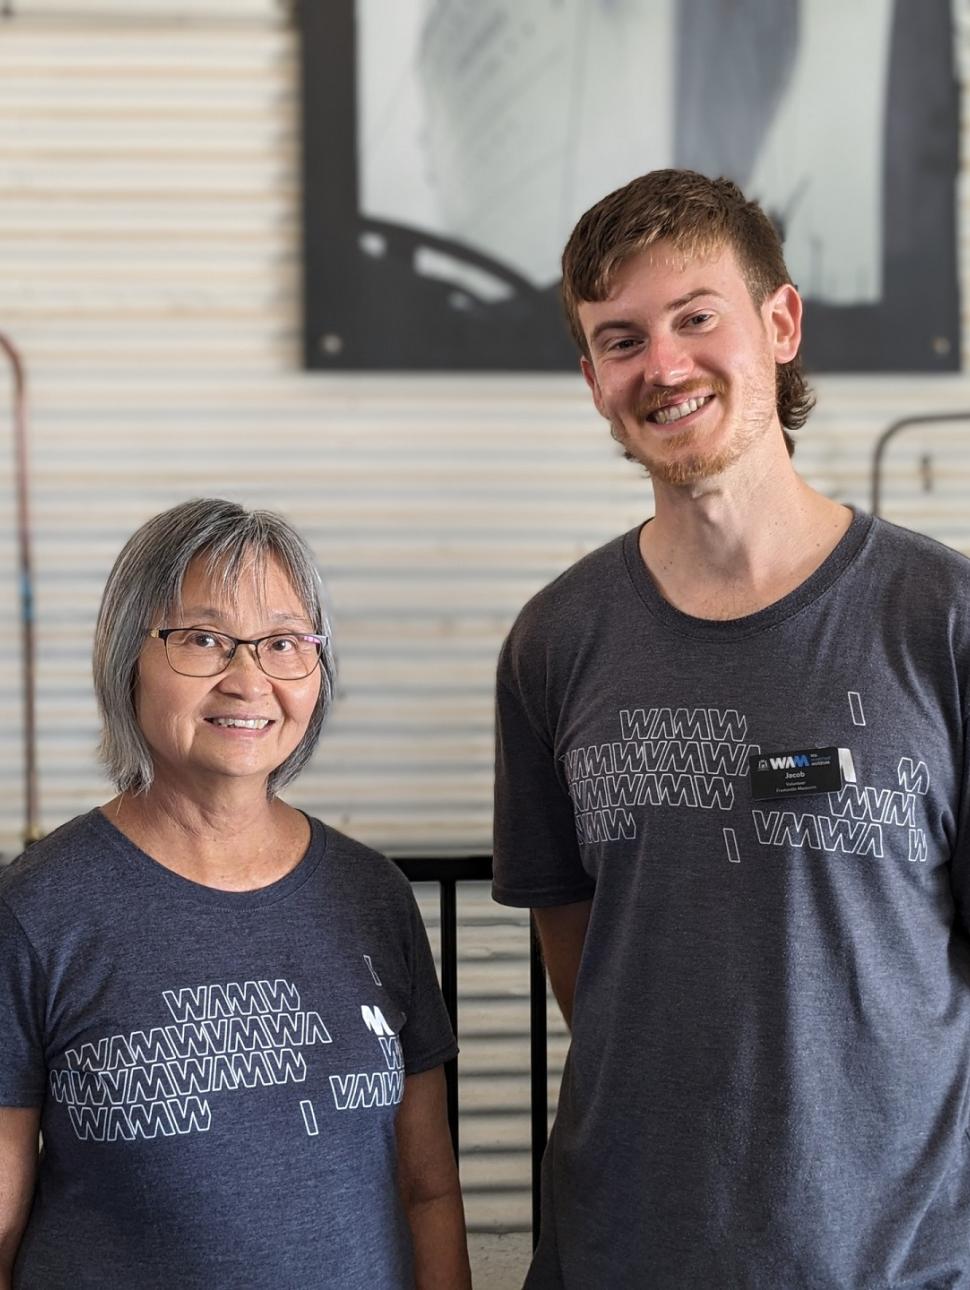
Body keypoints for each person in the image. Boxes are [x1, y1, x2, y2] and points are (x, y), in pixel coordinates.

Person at [491, 170, 970, 1288]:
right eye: (620, 339)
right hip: (620, 1255)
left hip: (892, 1265)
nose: (662, 365)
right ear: (592, 379)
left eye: (694, 316)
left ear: (779, 323)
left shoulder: (938, 622)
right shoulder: (553, 643)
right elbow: (583, 953)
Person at [0, 498, 471, 1290]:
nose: (248, 679)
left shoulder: (372, 896)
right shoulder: (36, 912)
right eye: (205, 640)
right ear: (128, 658)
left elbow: (426, 1191)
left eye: (284, 642)